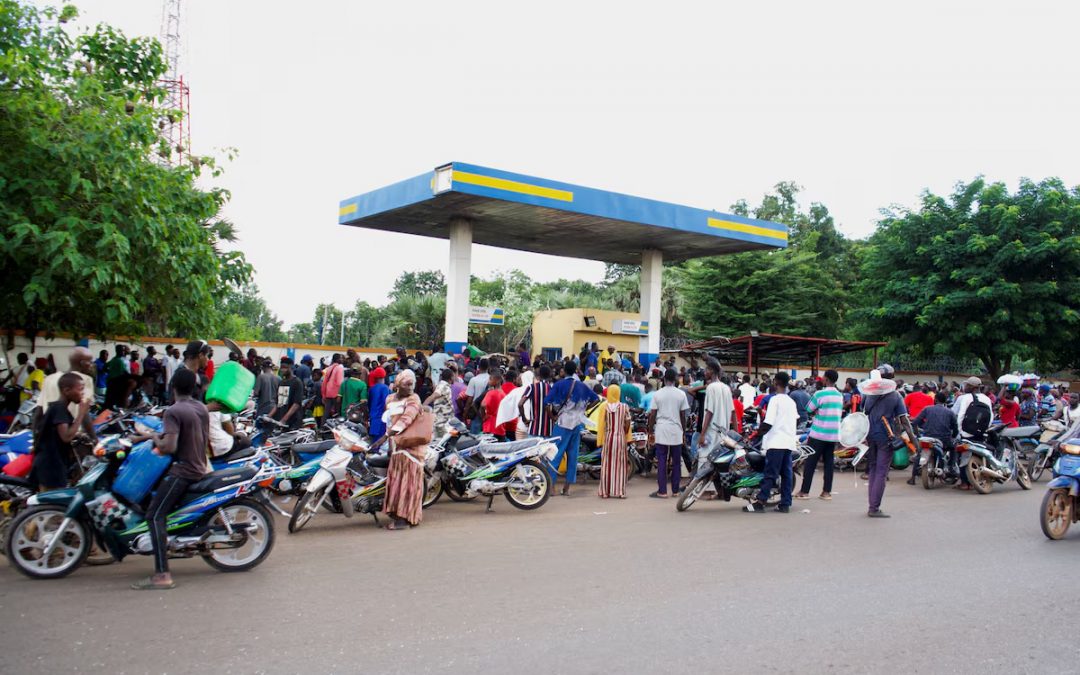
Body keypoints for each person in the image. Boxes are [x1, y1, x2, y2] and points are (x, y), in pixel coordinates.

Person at [132, 368, 209, 590]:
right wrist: (145, 436)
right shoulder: (199, 407)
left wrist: (155, 438)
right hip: (199, 465)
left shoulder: (173, 411)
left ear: (172, 386)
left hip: (184, 470)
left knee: (154, 515)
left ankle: (162, 575)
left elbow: (169, 447)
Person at [744, 372, 799, 513]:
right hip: (788, 443)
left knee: (770, 473)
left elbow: (768, 422)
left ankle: (761, 502)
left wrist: (754, 435)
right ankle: (785, 504)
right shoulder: (791, 402)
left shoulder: (775, 400)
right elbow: (795, 420)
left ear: (775, 383)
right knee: (786, 474)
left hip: (776, 442)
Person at [544, 361, 600, 496]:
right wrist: (583, 411)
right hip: (577, 424)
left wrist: (552, 417)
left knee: (554, 454)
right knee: (573, 456)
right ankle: (567, 488)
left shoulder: (559, 384)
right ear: (576, 370)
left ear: (564, 370)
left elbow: (547, 403)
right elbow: (596, 399)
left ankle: (551, 487)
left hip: (562, 423)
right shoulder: (582, 385)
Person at [382, 369, 427, 531]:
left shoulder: (414, 399)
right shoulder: (390, 399)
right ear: (397, 386)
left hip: (412, 448)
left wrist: (389, 434)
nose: (410, 387)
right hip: (396, 447)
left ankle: (404, 519)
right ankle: (397, 513)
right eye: (406, 384)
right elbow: (388, 420)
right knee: (396, 482)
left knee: (409, 484)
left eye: (412, 384)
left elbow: (407, 418)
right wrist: (388, 443)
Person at [31, 372, 89, 491]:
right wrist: (81, 413)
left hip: (48, 463)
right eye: (80, 389)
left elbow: (59, 433)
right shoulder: (60, 409)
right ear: (66, 391)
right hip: (51, 466)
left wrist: (79, 434)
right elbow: (66, 437)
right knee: (51, 504)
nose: (83, 393)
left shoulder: (58, 408)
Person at [862, 367, 908, 518]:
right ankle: (874, 508)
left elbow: (863, 413)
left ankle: (872, 505)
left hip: (870, 435)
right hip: (885, 436)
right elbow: (904, 420)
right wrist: (914, 441)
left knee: (874, 470)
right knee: (881, 472)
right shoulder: (895, 396)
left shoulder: (868, 394)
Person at [796, 369, 843, 501]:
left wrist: (818, 410)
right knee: (828, 463)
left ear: (827, 379)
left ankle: (804, 492)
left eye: (823, 377)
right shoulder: (839, 395)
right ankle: (826, 492)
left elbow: (808, 408)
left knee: (810, 462)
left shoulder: (820, 393)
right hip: (833, 434)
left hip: (818, 434)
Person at [648, 368, 689, 498]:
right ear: (676, 379)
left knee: (662, 461)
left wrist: (650, 430)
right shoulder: (681, 394)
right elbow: (683, 415)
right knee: (676, 462)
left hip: (661, 429)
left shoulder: (657, 394)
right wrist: (683, 431)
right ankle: (675, 491)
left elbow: (652, 414)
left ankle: (662, 491)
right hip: (676, 431)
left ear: (664, 379)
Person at [911, 391, 961, 487]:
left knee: (919, 453)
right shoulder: (950, 412)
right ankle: (951, 467)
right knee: (953, 447)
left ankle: (913, 477)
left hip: (927, 437)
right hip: (944, 440)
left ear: (935, 400)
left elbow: (915, 422)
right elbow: (955, 428)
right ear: (945, 401)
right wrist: (954, 436)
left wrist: (920, 432)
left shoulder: (927, 409)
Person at [596, 385, 631, 499]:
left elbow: (601, 425)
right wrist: (627, 436)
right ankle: (620, 492)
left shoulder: (604, 407)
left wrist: (600, 440)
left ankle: (605, 492)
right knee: (620, 465)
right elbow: (627, 424)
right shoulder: (624, 407)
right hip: (620, 438)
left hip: (608, 437)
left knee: (606, 465)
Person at [696, 359, 734, 461]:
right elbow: (733, 412)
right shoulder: (726, 388)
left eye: (706, 369)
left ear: (712, 370)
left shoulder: (711, 387)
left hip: (711, 433)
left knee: (705, 463)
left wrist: (702, 434)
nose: (705, 372)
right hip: (724, 434)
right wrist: (736, 433)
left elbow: (709, 412)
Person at [519, 364, 553, 438]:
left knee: (533, 449)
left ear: (539, 375)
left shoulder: (532, 387)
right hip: (548, 430)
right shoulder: (552, 388)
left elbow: (520, 404)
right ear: (549, 375)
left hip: (534, 428)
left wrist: (524, 419)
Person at [271, 357, 305, 430]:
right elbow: (278, 403)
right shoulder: (281, 382)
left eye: (285, 367)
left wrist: (284, 420)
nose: (283, 370)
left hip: (293, 422)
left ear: (290, 367)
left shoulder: (297, 382)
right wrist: (268, 416)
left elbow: (296, 404)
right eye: (281, 367)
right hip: (281, 422)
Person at [463, 358, 491, 434]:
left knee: (475, 437)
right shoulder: (492, 379)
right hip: (489, 413)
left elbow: (469, 399)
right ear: (488, 367)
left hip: (476, 412)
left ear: (479, 367)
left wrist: (465, 414)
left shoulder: (474, 380)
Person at [424, 369, 455, 440]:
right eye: (453, 376)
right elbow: (434, 395)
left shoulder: (445, 385)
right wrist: (423, 406)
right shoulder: (443, 386)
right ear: (451, 377)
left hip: (445, 420)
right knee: (441, 441)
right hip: (442, 422)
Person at [481, 371, 509, 441]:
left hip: (490, 426)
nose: (489, 381)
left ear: (497, 381)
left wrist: (483, 416)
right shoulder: (504, 394)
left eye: (490, 379)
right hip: (500, 426)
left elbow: (483, 405)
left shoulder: (491, 393)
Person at [368, 367, 390, 440]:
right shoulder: (385, 388)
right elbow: (386, 403)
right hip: (381, 418)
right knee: (380, 440)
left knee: (373, 439)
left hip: (373, 418)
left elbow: (369, 403)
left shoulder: (372, 388)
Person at [321, 354, 345, 420]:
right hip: (336, 394)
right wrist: (340, 394)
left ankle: (322, 427)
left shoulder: (329, 368)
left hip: (328, 393)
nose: (342, 359)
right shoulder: (340, 367)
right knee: (337, 413)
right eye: (341, 358)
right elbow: (340, 383)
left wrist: (323, 395)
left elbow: (324, 382)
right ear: (337, 359)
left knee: (326, 412)